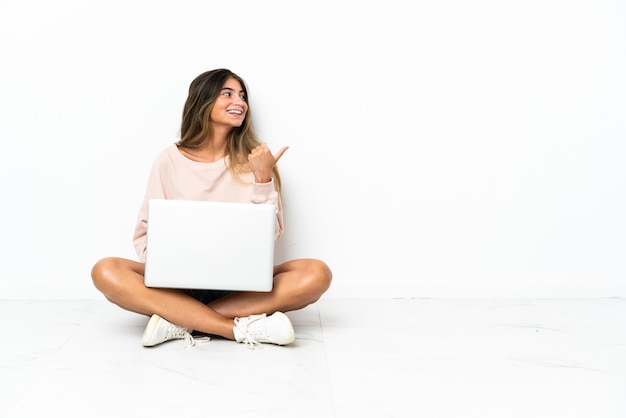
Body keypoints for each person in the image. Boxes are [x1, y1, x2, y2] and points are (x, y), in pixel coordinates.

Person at [91, 68, 332, 348]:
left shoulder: (257, 160)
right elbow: (145, 237)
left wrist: (263, 178)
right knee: (106, 270)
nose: (239, 102)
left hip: (242, 285)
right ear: (202, 102)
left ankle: (178, 320)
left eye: (242, 96)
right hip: (178, 284)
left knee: (317, 273)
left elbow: (270, 237)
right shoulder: (168, 160)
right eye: (227, 94)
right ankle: (234, 329)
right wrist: (175, 262)